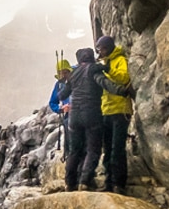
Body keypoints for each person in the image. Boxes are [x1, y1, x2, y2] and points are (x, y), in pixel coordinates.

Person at [95, 34, 133, 194]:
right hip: (107, 110)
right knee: (108, 148)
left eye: (103, 48)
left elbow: (124, 77)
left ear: (109, 47)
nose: (101, 52)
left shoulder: (119, 60)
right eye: (99, 49)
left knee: (117, 148)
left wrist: (109, 70)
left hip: (120, 109)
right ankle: (109, 182)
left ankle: (119, 183)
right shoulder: (105, 62)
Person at [62, 47, 104, 190]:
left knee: (74, 150)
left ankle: (70, 183)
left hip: (74, 116)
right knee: (93, 149)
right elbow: (104, 78)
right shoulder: (94, 69)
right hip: (91, 113)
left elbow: (61, 95)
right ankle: (85, 181)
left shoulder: (74, 74)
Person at [49, 55, 73, 153]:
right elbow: (52, 102)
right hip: (67, 116)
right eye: (60, 73)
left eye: (65, 72)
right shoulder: (59, 85)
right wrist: (61, 109)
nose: (63, 75)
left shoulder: (76, 81)